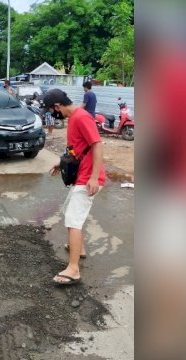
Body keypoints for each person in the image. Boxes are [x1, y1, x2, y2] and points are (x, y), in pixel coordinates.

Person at [44, 89, 106, 286]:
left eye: (51, 110)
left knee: (73, 219)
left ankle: (73, 269)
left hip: (89, 177)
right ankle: (79, 249)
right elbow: (76, 150)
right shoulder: (73, 118)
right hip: (81, 175)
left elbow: (97, 145)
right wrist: (60, 164)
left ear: (57, 106)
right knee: (69, 211)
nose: (53, 114)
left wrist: (95, 177)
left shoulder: (81, 117)